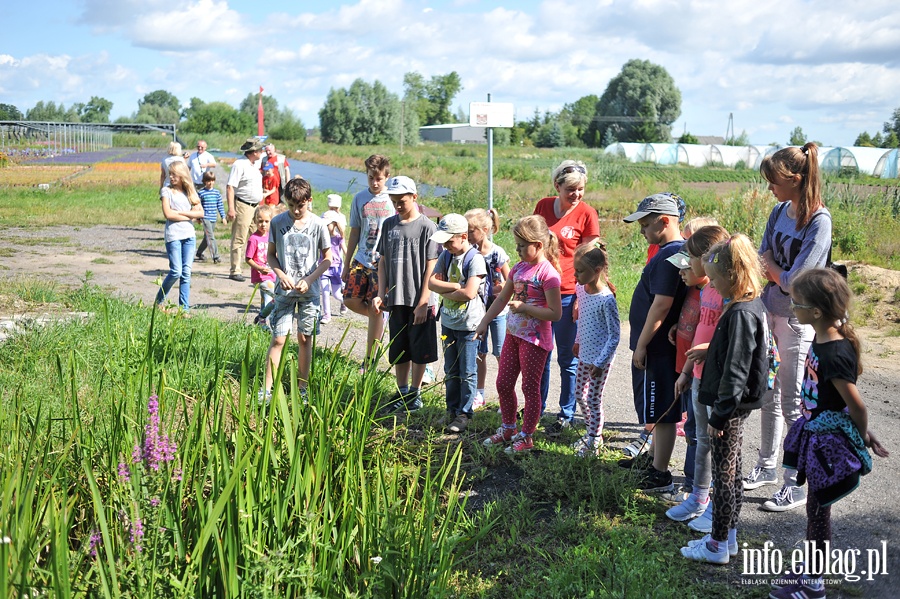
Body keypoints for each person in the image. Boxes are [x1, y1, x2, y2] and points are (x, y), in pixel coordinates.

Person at [769, 268, 888, 599]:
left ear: (816, 311)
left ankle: (814, 584)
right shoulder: (821, 338)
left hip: (828, 445)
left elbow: (857, 406)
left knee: (819, 513)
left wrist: (862, 435)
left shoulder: (834, 352)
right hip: (815, 436)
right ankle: (810, 568)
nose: (792, 307)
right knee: (814, 511)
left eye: (797, 303)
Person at [747, 143, 833, 513]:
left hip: (798, 319)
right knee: (767, 394)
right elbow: (761, 255)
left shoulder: (818, 222)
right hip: (769, 310)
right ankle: (767, 465)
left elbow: (798, 280)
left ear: (795, 180)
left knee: (793, 401)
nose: (770, 188)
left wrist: (774, 273)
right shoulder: (779, 211)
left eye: (774, 181)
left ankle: (795, 483)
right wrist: (776, 274)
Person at [680, 234, 769, 565]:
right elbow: (731, 353)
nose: (712, 287)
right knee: (731, 471)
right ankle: (727, 536)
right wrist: (709, 350)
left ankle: (717, 544)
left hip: (726, 409)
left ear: (732, 276)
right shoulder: (744, 305)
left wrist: (719, 414)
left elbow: (736, 370)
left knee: (724, 477)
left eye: (715, 280)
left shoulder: (741, 313)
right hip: (729, 407)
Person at [620, 192, 688, 494]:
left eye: (646, 225)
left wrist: (643, 343)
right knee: (657, 408)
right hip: (660, 345)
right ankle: (652, 459)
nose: (643, 231)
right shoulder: (673, 252)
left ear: (665, 221)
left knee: (661, 410)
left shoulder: (670, 256)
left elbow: (661, 305)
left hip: (659, 347)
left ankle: (660, 473)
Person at [480, 215, 563, 453]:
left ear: (538, 245)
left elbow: (555, 314)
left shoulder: (548, 275)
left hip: (535, 341)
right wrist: (484, 322)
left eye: (521, 246)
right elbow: (503, 298)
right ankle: (509, 428)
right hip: (514, 336)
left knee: (529, 387)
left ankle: (526, 436)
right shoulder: (518, 268)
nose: (517, 250)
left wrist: (526, 308)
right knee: (504, 383)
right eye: (516, 245)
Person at [666, 225, 730, 530]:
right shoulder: (706, 289)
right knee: (702, 440)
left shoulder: (728, 295)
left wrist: (708, 352)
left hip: (716, 380)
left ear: (708, 259)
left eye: (691, 258)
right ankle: (698, 497)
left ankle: (716, 507)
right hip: (698, 377)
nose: (688, 264)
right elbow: (698, 339)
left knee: (720, 447)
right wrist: (687, 373)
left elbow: (728, 338)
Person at [532, 160, 600, 433]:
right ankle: (537, 406)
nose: (576, 195)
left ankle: (566, 412)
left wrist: (581, 297)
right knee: (541, 354)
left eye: (580, 189)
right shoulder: (543, 206)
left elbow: (591, 256)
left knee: (567, 357)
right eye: (570, 189)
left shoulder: (587, 213)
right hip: (541, 290)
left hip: (569, 292)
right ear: (556, 186)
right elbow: (532, 241)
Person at [259, 177, 332, 405]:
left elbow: (327, 259)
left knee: (304, 338)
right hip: (284, 291)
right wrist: (280, 275)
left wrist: (310, 279)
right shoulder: (278, 222)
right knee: (279, 339)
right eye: (291, 205)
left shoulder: (318, 225)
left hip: (309, 292)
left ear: (309, 201)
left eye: (300, 205)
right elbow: (271, 255)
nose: (296, 210)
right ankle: (267, 389)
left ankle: (302, 387)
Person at [372, 176, 439, 413]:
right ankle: (401, 391)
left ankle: (415, 392)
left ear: (414, 197)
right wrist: (381, 293)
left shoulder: (427, 227)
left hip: (419, 299)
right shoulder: (389, 224)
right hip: (396, 298)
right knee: (399, 347)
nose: (398, 206)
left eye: (402, 201)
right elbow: (382, 261)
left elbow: (431, 266)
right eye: (394, 201)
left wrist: (423, 301)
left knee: (420, 348)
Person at [428, 213, 487, 433]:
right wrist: (454, 287)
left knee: (467, 371)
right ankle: (450, 411)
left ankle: (464, 414)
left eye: (449, 241)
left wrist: (450, 288)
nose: (445, 245)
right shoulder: (446, 256)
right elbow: (432, 283)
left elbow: (470, 293)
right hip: (449, 322)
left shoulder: (475, 259)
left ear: (463, 236)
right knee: (450, 369)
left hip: (469, 324)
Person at [343, 155, 395, 369]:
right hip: (361, 258)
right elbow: (355, 231)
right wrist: (346, 263)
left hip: (381, 262)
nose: (375, 183)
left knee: (375, 309)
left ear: (387, 177)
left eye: (379, 179)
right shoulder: (359, 198)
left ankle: (370, 358)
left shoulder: (393, 200)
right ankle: (378, 318)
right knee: (349, 299)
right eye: (371, 177)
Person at [570, 241, 619, 457]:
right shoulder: (581, 289)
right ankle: (591, 433)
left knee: (593, 399)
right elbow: (582, 320)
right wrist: (578, 341)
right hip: (584, 355)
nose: (576, 275)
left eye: (580, 271)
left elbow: (615, 336)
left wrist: (600, 363)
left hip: (600, 360)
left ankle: (595, 440)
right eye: (575, 270)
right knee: (579, 395)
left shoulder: (606, 299)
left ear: (597, 271)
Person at [464, 208, 511, 410]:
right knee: (479, 353)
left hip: (498, 312)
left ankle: (506, 395)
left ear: (484, 230)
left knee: (501, 353)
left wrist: (498, 288)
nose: (467, 236)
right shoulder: (469, 253)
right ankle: (479, 393)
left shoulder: (497, 253)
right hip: (477, 312)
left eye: (470, 231)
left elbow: (511, 281)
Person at [154, 161, 204, 312]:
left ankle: (184, 309)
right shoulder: (166, 191)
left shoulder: (190, 193)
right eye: (170, 174)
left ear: (182, 175)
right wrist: (190, 216)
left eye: (174, 174)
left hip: (189, 236)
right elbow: (168, 214)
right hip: (174, 235)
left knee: (186, 273)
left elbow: (201, 213)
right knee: (176, 271)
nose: (171, 177)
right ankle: (159, 301)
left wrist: (180, 214)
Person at [226, 138, 265, 283]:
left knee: (256, 237)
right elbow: (230, 187)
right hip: (243, 205)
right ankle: (235, 270)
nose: (262, 152)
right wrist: (231, 208)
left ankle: (258, 267)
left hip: (255, 207)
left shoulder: (254, 164)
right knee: (239, 238)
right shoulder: (239, 164)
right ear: (254, 152)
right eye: (260, 150)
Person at [246, 204, 277, 328]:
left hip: (272, 274)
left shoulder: (271, 237)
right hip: (261, 277)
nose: (263, 224)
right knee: (278, 296)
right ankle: (263, 317)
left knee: (268, 300)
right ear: (255, 221)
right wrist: (259, 269)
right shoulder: (253, 239)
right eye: (260, 221)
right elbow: (248, 259)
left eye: (266, 221)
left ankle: (262, 324)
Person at [320, 194, 347, 324]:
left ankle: (344, 302)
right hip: (323, 266)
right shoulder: (321, 237)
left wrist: (350, 262)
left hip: (336, 267)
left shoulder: (338, 237)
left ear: (334, 224)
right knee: (325, 291)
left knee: (336, 294)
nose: (326, 227)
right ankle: (326, 315)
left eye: (328, 224)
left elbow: (345, 249)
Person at [195, 171, 225, 264]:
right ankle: (215, 256)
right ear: (204, 181)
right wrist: (198, 218)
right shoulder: (201, 193)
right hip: (205, 217)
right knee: (211, 237)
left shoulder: (217, 193)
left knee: (207, 237)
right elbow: (198, 206)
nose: (210, 183)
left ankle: (199, 252)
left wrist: (223, 217)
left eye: (212, 181)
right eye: (208, 181)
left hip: (213, 218)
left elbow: (220, 205)